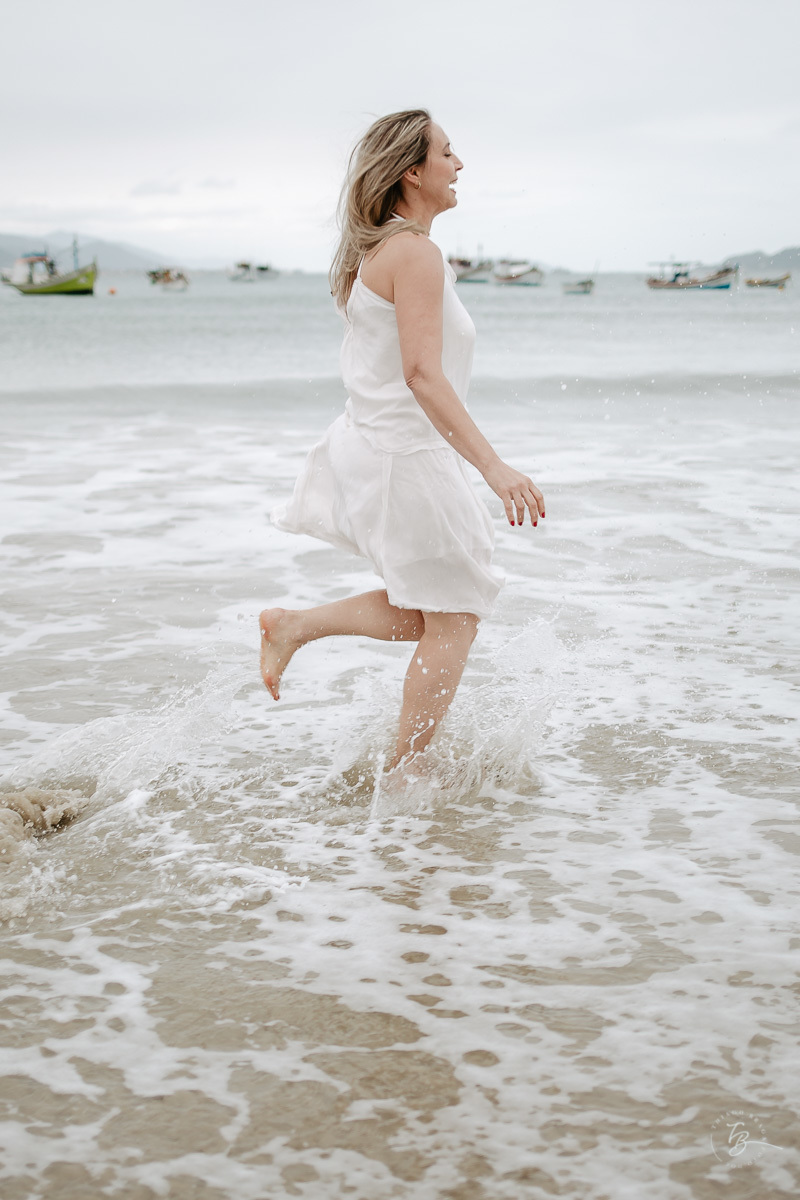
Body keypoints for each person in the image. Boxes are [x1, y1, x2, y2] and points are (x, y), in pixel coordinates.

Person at [263, 109, 544, 773]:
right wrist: (494, 467)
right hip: (401, 454)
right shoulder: (414, 252)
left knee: (441, 610)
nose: (460, 165)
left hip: (387, 448)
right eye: (448, 153)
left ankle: (294, 627)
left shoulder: (384, 251)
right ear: (413, 171)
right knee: (455, 614)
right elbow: (421, 374)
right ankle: (406, 778)